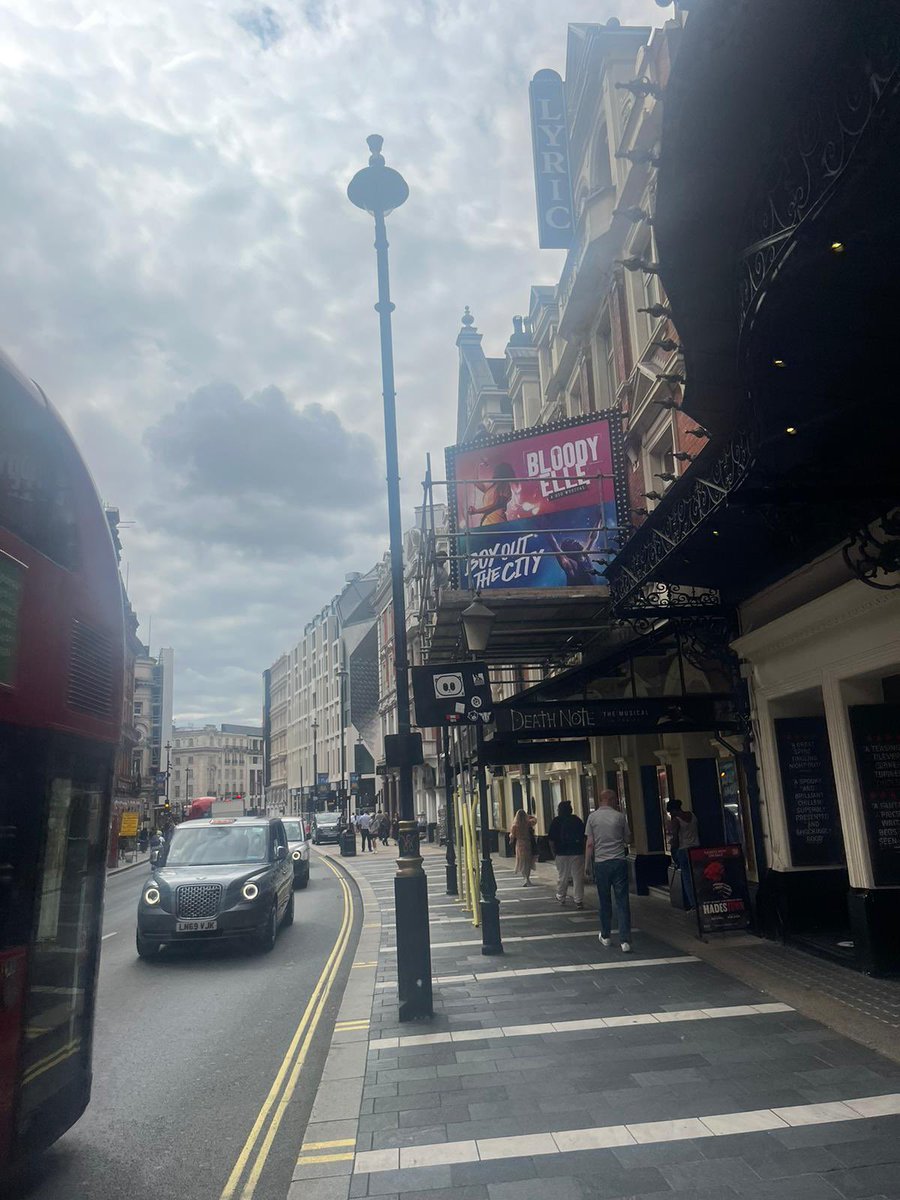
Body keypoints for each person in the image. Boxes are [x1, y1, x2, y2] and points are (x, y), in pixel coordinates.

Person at [585, 789, 632, 952]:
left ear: (600, 800)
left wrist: (587, 865)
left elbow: (590, 843)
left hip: (601, 863)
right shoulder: (620, 817)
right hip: (619, 861)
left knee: (604, 901)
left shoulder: (592, 817)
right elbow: (628, 838)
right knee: (622, 901)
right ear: (612, 800)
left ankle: (605, 935)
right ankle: (625, 941)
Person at [547, 799, 585, 908]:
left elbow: (551, 840)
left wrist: (554, 854)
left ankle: (561, 896)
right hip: (577, 851)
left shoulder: (556, 821)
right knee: (578, 877)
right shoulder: (577, 820)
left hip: (561, 852)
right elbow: (583, 836)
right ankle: (578, 900)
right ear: (570, 810)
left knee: (562, 876)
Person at [667, 798, 700, 909]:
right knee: (697, 876)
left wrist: (672, 848)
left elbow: (675, 838)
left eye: (670, 812)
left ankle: (693, 904)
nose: (670, 814)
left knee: (687, 878)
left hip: (684, 849)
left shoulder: (676, 820)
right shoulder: (692, 815)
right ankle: (701, 899)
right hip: (696, 848)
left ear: (674, 810)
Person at [509, 808, 537, 886]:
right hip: (527, 843)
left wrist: (511, 841)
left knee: (521, 861)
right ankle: (527, 878)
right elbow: (535, 820)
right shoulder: (528, 823)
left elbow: (512, 836)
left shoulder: (515, 826)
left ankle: (525, 878)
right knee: (528, 861)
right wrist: (529, 816)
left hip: (519, 844)